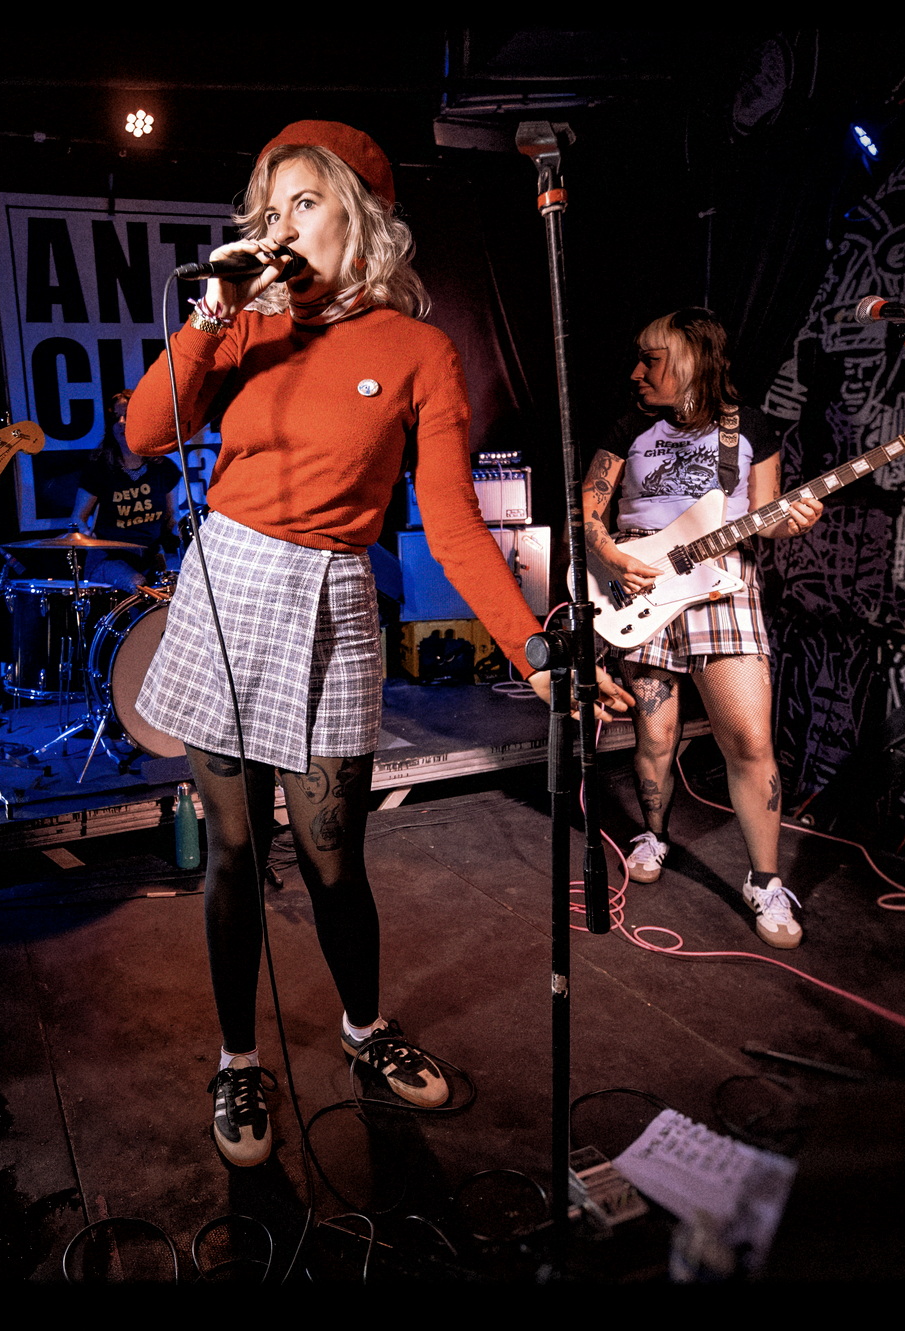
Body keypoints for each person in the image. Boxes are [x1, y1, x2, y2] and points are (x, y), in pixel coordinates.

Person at [126, 121, 631, 1167]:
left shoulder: (417, 350)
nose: (279, 225)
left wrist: (534, 649)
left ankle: (363, 1029)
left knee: (332, 856)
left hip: (332, 595)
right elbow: (143, 433)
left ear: (358, 220)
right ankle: (236, 1059)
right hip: (230, 583)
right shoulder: (245, 328)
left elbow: (451, 521)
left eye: (303, 203)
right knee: (231, 851)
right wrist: (212, 315)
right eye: (268, 208)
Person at [580, 308, 823, 950]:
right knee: (655, 733)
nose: (637, 372)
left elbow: (768, 515)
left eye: (651, 359)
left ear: (690, 362)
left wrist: (792, 519)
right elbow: (590, 510)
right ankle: (653, 834)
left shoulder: (751, 428)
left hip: (723, 583)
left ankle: (765, 880)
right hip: (639, 581)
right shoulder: (631, 425)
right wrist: (610, 557)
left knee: (749, 738)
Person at [71, 389, 184, 592]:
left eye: (128, 416)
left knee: (181, 581)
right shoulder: (100, 468)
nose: (121, 422)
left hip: (151, 556)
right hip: (109, 558)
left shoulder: (164, 469)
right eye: (116, 417)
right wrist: (85, 534)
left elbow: (171, 519)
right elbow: (78, 518)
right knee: (138, 584)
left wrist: (187, 536)